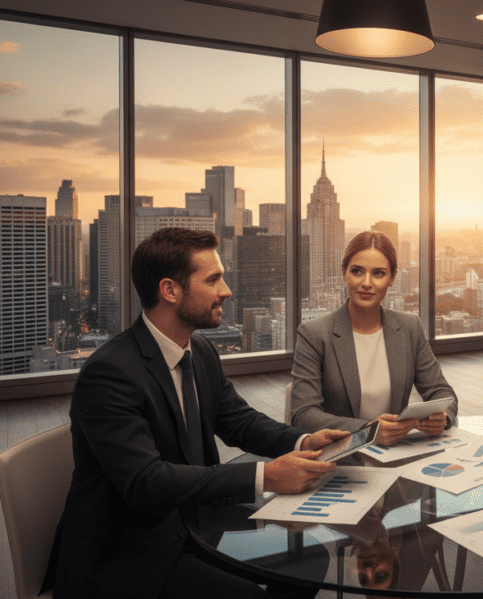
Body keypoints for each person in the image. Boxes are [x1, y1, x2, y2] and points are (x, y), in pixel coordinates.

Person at [42, 228, 346, 599]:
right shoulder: (109, 374)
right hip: (130, 550)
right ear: (170, 290)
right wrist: (266, 476)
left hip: (193, 522)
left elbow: (238, 421)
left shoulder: (198, 351)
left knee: (307, 557)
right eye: (214, 279)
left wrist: (303, 439)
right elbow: (146, 483)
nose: (227, 291)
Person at [290, 231, 457, 445]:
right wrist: (367, 431)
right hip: (341, 457)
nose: (366, 283)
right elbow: (303, 415)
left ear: (392, 278)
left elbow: (442, 392)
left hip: (396, 454)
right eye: (357, 271)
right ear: (344, 273)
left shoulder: (409, 327)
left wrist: (441, 417)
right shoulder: (314, 334)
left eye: (378, 273)